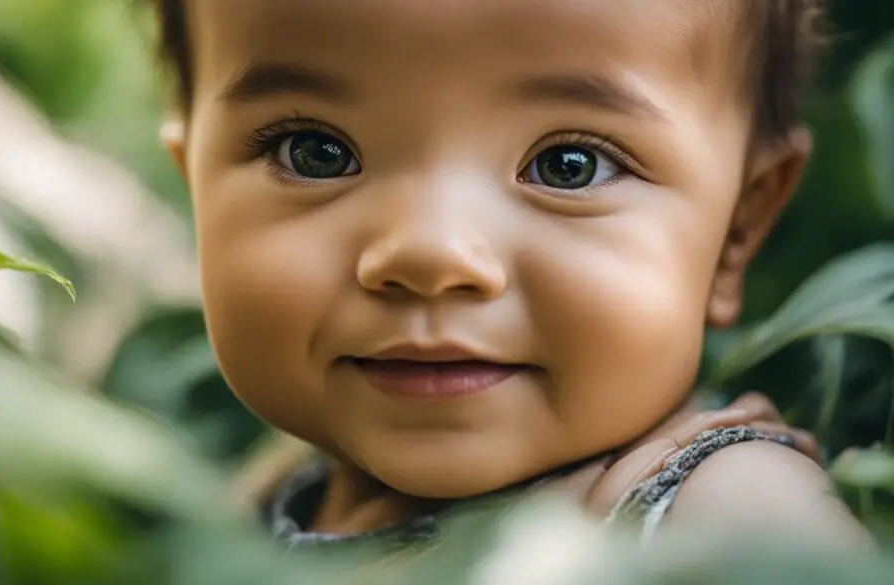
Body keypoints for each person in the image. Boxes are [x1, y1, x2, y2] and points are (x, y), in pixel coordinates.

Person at [149, 0, 873, 554]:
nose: (430, 254)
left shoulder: (720, 513)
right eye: (315, 153)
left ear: (735, 233)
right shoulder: (250, 499)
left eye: (570, 165)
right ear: (197, 194)